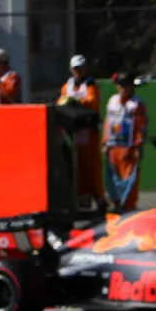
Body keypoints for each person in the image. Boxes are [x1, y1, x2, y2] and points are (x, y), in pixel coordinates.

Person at [58, 55, 105, 210]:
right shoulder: (67, 86)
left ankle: (99, 197)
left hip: (88, 130)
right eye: (75, 69)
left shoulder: (91, 85)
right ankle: (82, 197)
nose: (78, 72)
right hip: (73, 130)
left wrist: (76, 102)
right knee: (76, 166)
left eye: (80, 68)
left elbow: (92, 101)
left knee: (91, 166)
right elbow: (61, 101)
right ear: (71, 69)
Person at [103, 74, 149, 211]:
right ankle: (117, 205)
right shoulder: (112, 101)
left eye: (125, 85)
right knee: (112, 179)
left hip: (129, 148)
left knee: (130, 180)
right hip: (113, 147)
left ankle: (129, 207)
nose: (122, 88)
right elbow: (108, 122)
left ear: (131, 87)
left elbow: (142, 126)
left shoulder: (137, 104)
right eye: (120, 85)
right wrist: (105, 142)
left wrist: (138, 145)